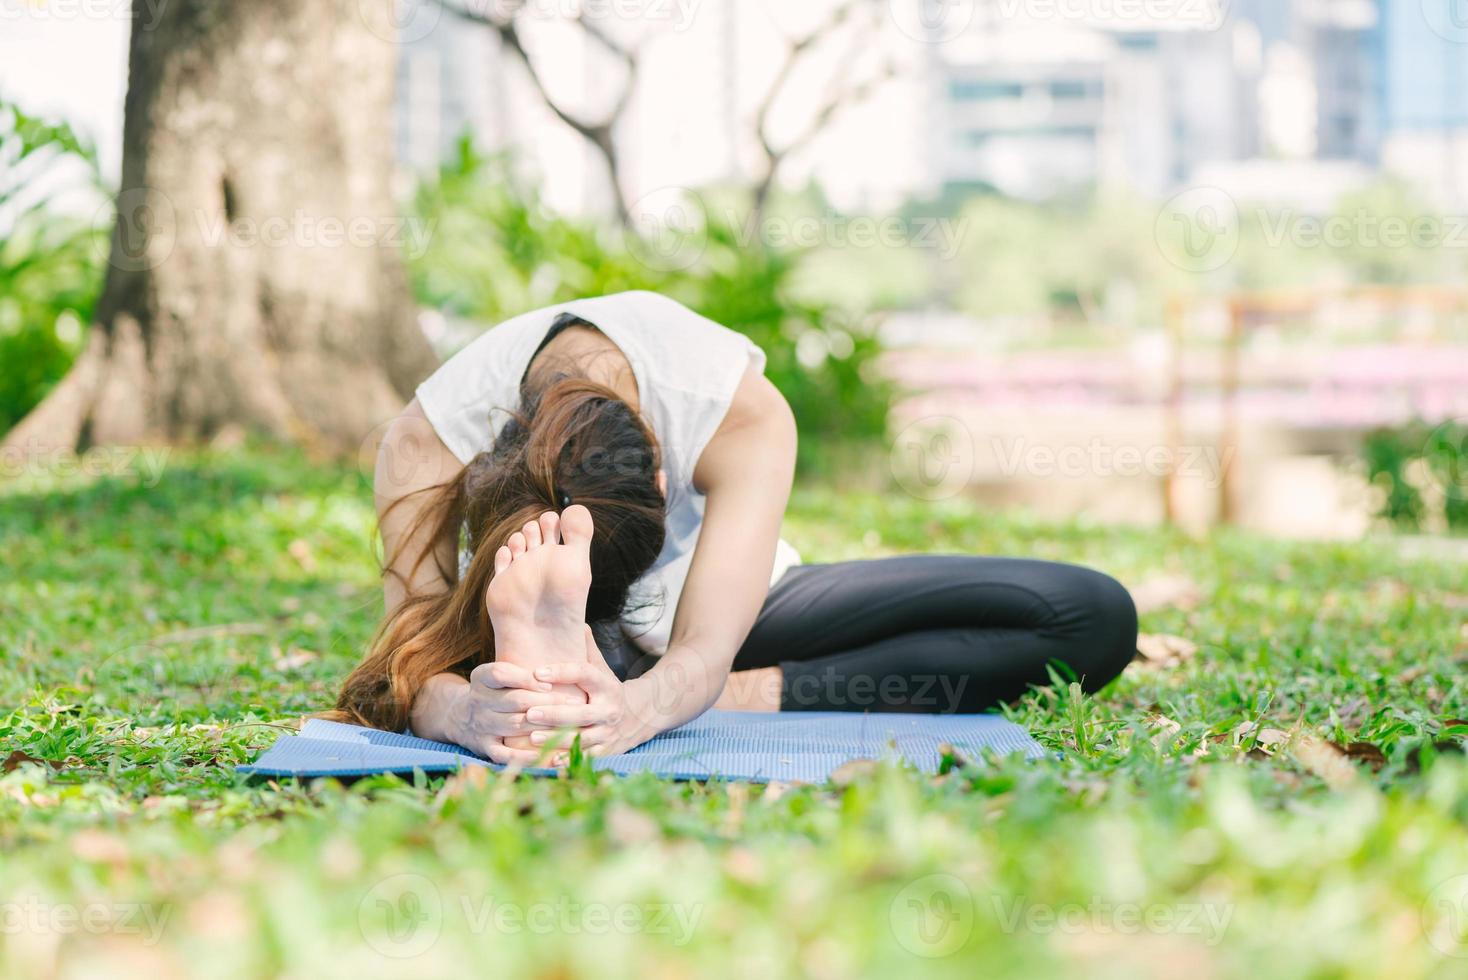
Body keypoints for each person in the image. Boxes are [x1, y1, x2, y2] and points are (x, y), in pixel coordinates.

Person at [333, 292, 1137, 765]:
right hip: (495, 647)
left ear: (663, 474)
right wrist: (460, 712)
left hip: (718, 612)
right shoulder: (427, 441)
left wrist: (652, 704)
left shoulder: (733, 407)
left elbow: (704, 646)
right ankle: (557, 644)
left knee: (1090, 615)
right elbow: (402, 656)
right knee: (426, 667)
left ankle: (661, 681)